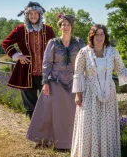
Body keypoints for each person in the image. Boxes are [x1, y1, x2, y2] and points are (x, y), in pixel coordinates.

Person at [71, 24, 127, 157]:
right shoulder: (84, 52)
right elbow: (78, 74)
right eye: (97, 35)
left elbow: (122, 70)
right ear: (91, 37)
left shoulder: (113, 52)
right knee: (90, 124)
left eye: (102, 34)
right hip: (90, 93)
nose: (100, 37)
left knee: (106, 125)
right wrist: (78, 95)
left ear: (105, 36)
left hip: (109, 93)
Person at [26, 13, 85, 149]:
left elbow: (85, 60)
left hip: (73, 82)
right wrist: (45, 81)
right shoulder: (53, 42)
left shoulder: (79, 43)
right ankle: (44, 140)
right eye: (63, 25)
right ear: (60, 27)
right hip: (55, 82)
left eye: (68, 25)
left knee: (72, 113)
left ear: (72, 27)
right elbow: (46, 63)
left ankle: (71, 143)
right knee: (49, 112)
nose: (66, 27)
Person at [2, 1, 55, 119]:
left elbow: (55, 49)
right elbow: (6, 43)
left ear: (40, 15)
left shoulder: (48, 30)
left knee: (47, 102)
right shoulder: (20, 29)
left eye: (36, 13)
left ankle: (46, 130)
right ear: (27, 15)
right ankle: (34, 132)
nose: (34, 16)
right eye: (31, 13)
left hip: (46, 74)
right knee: (31, 105)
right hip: (26, 73)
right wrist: (16, 55)